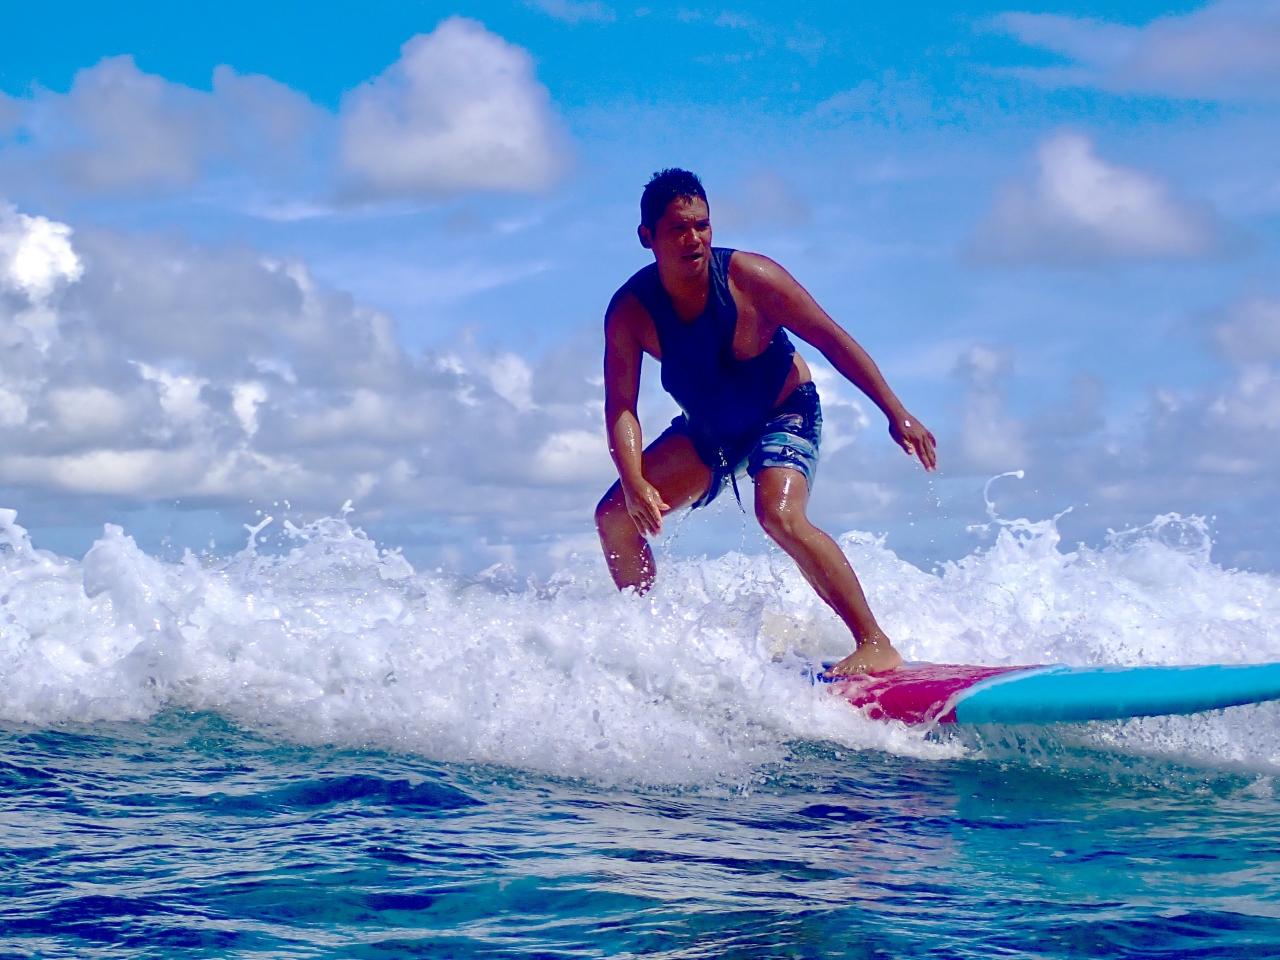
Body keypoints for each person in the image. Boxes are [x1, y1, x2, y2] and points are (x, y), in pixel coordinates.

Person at [595, 169, 937, 676]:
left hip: (784, 411)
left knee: (778, 514)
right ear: (648, 237)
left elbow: (831, 339)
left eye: (702, 225)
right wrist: (632, 480)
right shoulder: (631, 311)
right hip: (710, 432)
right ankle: (649, 644)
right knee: (614, 518)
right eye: (678, 229)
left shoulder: (751, 278)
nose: (694, 239)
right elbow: (621, 404)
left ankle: (875, 643)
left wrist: (895, 411)